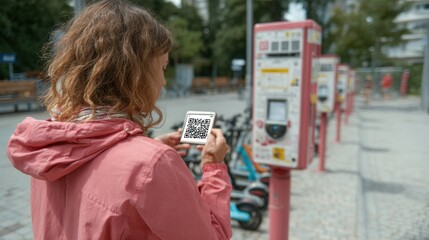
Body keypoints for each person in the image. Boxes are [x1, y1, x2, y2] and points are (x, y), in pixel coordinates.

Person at [7, 1, 232, 239]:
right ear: (137, 73)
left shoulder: (47, 145)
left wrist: (143, 150)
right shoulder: (152, 165)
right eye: (163, 68)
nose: (164, 82)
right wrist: (213, 167)